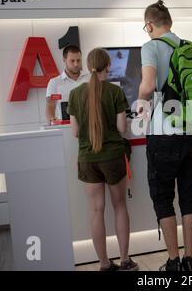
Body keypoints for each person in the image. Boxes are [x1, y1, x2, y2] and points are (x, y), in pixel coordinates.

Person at [137, 0, 192, 271]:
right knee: (189, 195)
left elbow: (148, 84)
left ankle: (174, 261)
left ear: (150, 25)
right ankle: (190, 259)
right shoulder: (189, 47)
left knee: (163, 196)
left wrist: (140, 102)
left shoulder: (150, 46)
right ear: (171, 23)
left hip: (164, 133)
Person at [67, 48, 138, 271]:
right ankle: (125, 260)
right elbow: (121, 127)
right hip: (113, 158)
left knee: (96, 211)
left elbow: (75, 131)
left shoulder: (76, 94)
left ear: (88, 67)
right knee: (119, 206)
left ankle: (105, 264)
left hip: (88, 159)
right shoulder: (115, 92)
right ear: (107, 66)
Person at [46, 45, 89, 123]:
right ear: (64, 60)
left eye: (78, 60)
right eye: (72, 61)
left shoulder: (89, 79)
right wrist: (52, 119)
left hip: (89, 125)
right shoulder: (55, 82)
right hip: (65, 127)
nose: (76, 64)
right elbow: (50, 105)